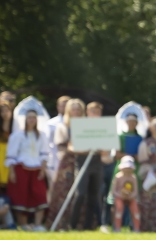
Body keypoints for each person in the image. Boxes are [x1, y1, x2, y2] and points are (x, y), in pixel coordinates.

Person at [5, 106, 49, 230]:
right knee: (21, 196)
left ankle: (38, 225)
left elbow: (44, 154)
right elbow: (11, 155)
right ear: (25, 119)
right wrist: (12, 172)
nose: (31, 120)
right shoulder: (17, 135)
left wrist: (43, 170)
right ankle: (23, 225)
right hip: (21, 168)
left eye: (34, 117)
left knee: (40, 195)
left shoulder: (41, 135)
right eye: (29, 117)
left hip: (37, 169)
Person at [68, 102, 110, 231]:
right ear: (87, 112)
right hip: (82, 162)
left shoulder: (104, 128)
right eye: (93, 112)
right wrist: (85, 150)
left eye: (98, 112)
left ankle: (88, 226)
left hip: (97, 164)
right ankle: (72, 225)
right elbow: (71, 146)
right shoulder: (81, 126)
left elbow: (106, 150)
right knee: (80, 194)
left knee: (94, 195)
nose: (95, 114)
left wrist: (101, 150)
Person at [46, 98, 85, 229]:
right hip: (67, 164)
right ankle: (60, 223)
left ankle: (78, 224)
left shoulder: (86, 127)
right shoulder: (63, 127)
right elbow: (61, 146)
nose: (76, 112)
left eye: (78, 109)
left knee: (81, 192)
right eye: (73, 109)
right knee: (63, 192)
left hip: (83, 161)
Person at [111, 156, 141, 232]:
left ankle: (136, 229)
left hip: (130, 197)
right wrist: (121, 195)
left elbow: (135, 191)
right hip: (119, 197)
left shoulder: (133, 178)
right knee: (119, 208)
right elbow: (114, 190)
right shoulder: (118, 177)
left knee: (135, 209)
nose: (127, 170)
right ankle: (117, 228)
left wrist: (131, 196)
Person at [45, 96, 71, 184]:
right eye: (62, 105)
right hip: (54, 159)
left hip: (70, 160)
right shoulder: (50, 123)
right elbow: (46, 142)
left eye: (66, 105)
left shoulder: (76, 123)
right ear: (58, 107)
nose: (64, 108)